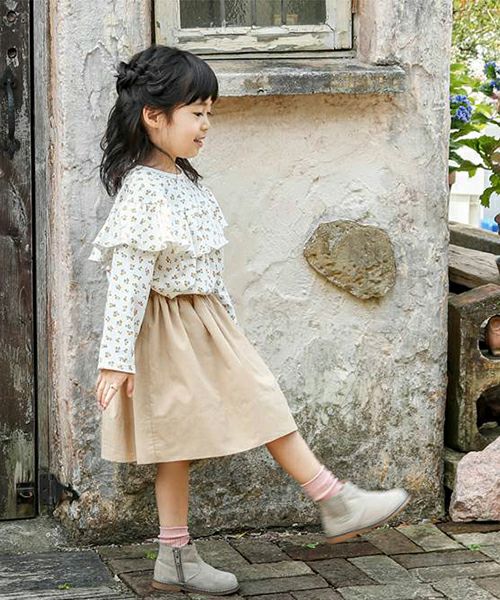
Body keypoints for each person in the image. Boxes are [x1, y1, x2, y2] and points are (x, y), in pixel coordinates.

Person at [90, 44, 410, 596]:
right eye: (197, 113)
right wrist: (115, 359)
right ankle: (319, 505)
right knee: (183, 441)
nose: (206, 124)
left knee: (251, 403)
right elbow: (128, 278)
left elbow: (209, 269)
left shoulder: (185, 180)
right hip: (166, 329)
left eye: (209, 113)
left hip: (206, 321)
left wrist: (230, 325)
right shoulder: (143, 188)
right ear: (153, 116)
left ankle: (319, 504)